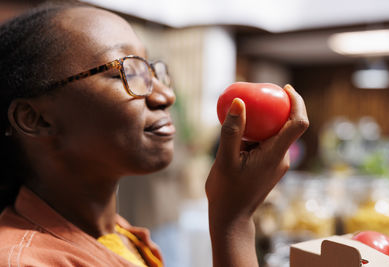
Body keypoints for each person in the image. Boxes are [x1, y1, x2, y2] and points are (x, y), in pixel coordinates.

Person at [0, 3, 309, 267]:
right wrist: (234, 222)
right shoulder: (24, 260)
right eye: (127, 71)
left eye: (152, 71)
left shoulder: (121, 237)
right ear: (36, 118)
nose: (166, 95)